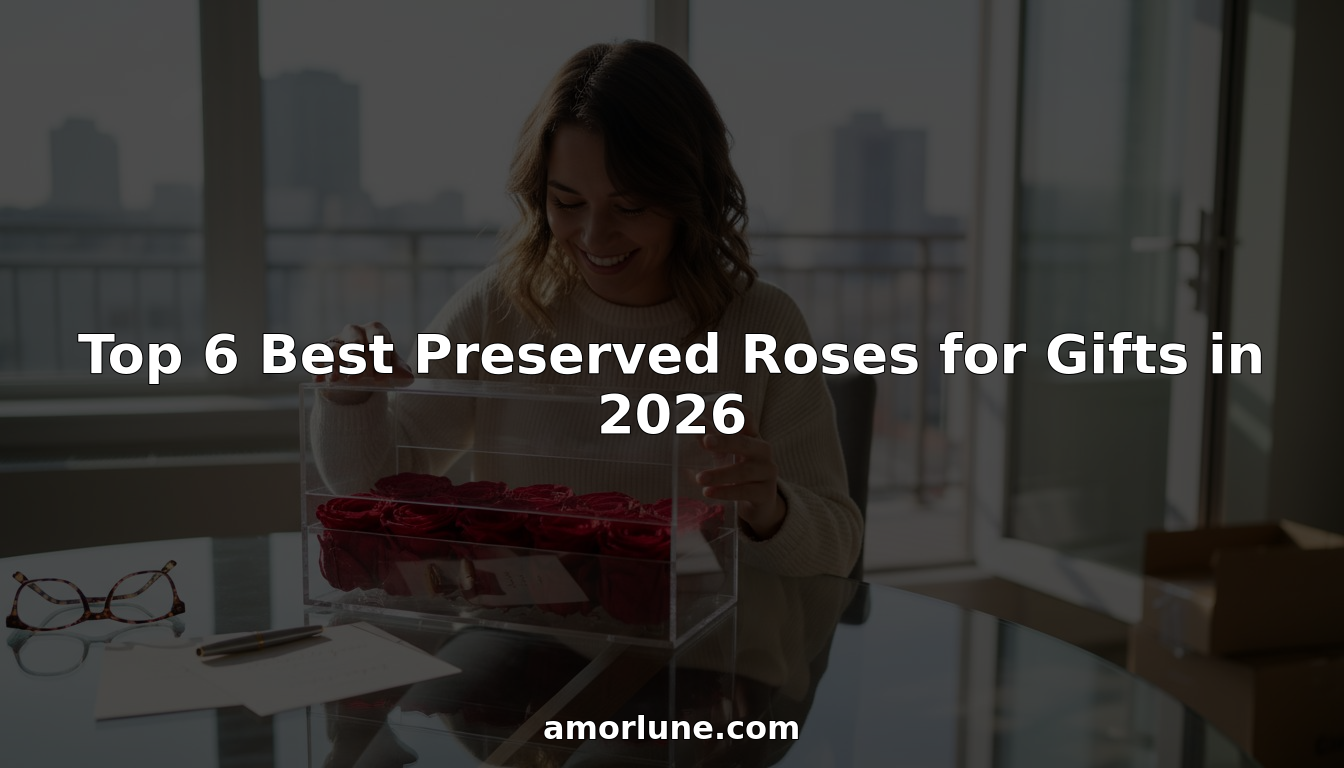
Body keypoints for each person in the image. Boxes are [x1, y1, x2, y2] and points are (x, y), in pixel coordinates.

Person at [313, 40, 861, 579]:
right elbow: (374, 486)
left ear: (692, 196)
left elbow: (837, 548)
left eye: (630, 206)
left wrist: (771, 511)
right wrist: (349, 394)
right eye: (567, 203)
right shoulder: (501, 305)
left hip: (707, 645)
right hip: (525, 635)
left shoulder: (764, 324)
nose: (595, 236)